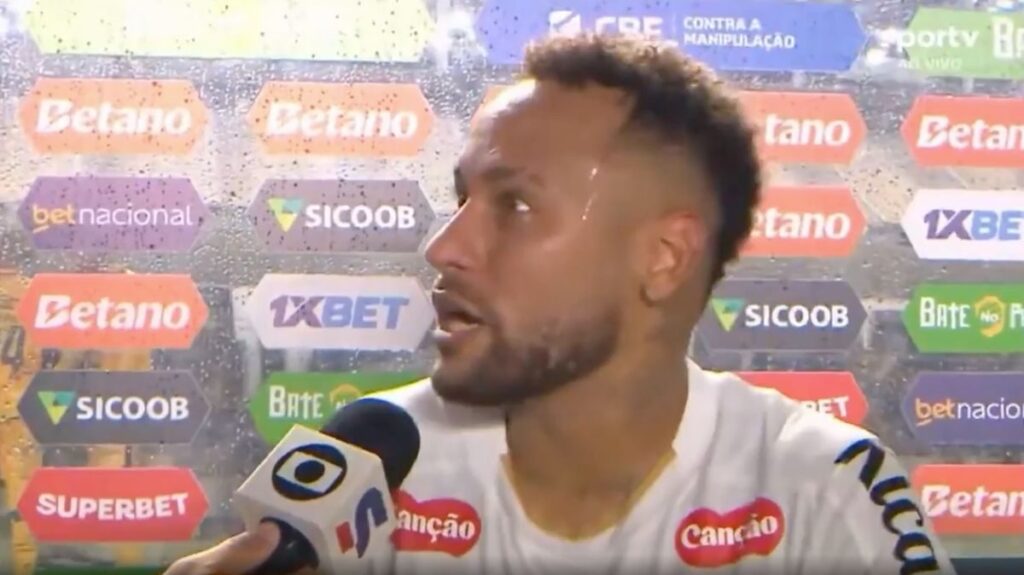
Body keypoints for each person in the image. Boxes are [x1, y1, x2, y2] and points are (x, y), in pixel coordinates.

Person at [165, 33, 955, 575]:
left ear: (663, 258)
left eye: (513, 206)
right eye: (462, 198)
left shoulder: (822, 481)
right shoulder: (377, 467)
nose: (444, 248)